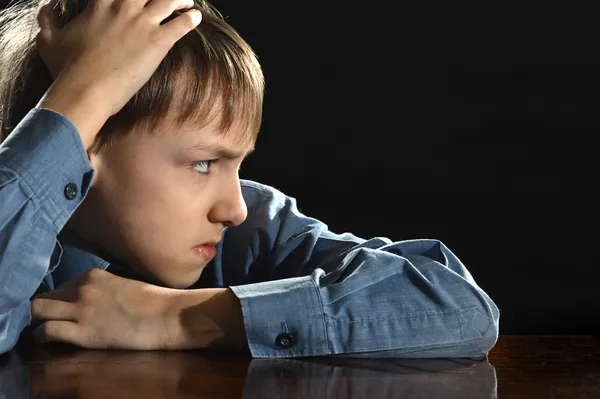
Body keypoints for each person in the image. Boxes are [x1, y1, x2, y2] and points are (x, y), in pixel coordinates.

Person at [0, 0, 500, 357]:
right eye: (203, 163)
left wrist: (181, 318)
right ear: (85, 142)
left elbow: (459, 307)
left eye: (237, 164)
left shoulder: (251, 232)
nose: (233, 207)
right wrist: (82, 93)